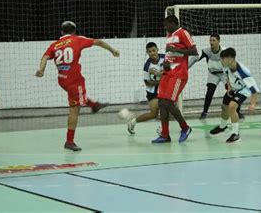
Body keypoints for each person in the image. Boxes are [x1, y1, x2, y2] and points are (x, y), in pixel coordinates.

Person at [36, 21, 120, 151]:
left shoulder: (55, 44)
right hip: (74, 80)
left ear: (61, 32)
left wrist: (41, 70)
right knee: (75, 109)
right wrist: (112, 50)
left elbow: (45, 57)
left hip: (62, 79)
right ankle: (69, 141)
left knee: (78, 99)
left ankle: (94, 105)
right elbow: (98, 42)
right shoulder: (77, 39)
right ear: (74, 31)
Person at [152, 15, 197, 143]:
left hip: (179, 73)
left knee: (168, 102)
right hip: (168, 72)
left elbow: (194, 51)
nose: (165, 27)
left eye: (167, 25)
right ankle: (165, 135)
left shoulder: (183, 33)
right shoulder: (169, 34)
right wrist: (166, 63)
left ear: (173, 23)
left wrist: (174, 49)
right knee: (161, 102)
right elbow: (169, 53)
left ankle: (185, 128)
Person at [189, 34, 244, 120]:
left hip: (224, 74)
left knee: (233, 91)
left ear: (218, 41)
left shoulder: (224, 51)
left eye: (214, 40)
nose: (211, 42)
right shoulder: (206, 51)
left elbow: (232, 62)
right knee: (209, 92)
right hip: (213, 74)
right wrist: (186, 67)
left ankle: (237, 111)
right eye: (210, 40)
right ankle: (204, 112)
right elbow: (196, 58)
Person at [209, 48, 258, 143]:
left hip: (243, 90)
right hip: (234, 88)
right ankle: (223, 126)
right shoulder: (225, 66)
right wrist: (229, 87)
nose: (221, 60)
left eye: (223, 58)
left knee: (232, 107)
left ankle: (236, 134)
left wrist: (252, 104)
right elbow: (226, 76)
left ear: (231, 59)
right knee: (224, 107)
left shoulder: (243, 72)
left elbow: (254, 90)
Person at [127, 42, 165, 134]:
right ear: (147, 53)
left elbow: (171, 71)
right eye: (150, 51)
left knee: (167, 108)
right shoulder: (147, 66)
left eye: (154, 50)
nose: (152, 53)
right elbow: (147, 83)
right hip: (152, 92)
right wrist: (162, 80)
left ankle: (162, 129)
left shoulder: (165, 58)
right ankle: (133, 122)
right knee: (153, 114)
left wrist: (158, 74)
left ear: (157, 50)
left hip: (164, 90)